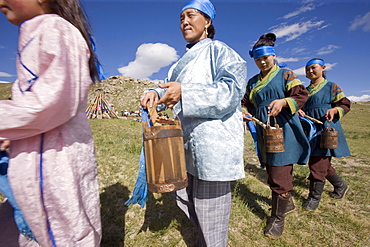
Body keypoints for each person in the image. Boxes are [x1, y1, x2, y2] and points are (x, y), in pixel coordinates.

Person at [140, 0, 247, 245]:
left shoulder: (220, 51)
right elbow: (165, 84)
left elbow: (232, 91)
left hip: (213, 145)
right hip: (183, 145)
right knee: (184, 200)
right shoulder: (180, 63)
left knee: (212, 216)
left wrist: (186, 93)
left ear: (207, 21)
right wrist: (153, 92)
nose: (184, 22)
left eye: (191, 16)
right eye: (181, 19)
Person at [0, 0, 102, 246]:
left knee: (65, 234)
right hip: (39, 165)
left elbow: (54, 101)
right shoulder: (38, 30)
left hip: (56, 167)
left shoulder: (57, 29)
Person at [241, 33, 310, 239]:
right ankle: (286, 202)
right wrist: (244, 111)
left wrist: (284, 101)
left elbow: (301, 94)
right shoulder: (253, 82)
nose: (262, 62)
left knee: (280, 168)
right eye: (258, 59)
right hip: (264, 130)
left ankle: (277, 217)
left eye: (266, 58)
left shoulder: (285, 74)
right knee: (272, 166)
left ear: (273, 56)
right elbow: (247, 102)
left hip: (284, 127)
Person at [298, 58, 350, 211]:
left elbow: (344, 104)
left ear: (323, 68)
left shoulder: (331, 87)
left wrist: (335, 110)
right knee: (321, 163)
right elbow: (300, 106)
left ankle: (314, 198)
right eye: (307, 69)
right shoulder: (305, 91)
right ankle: (341, 186)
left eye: (313, 68)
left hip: (326, 129)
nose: (310, 71)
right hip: (311, 130)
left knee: (317, 163)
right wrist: (300, 111)